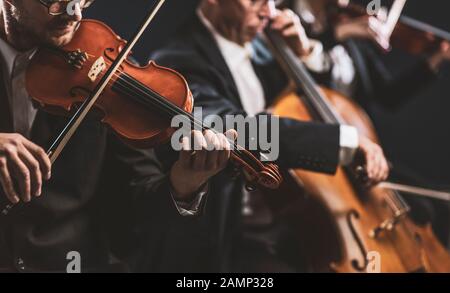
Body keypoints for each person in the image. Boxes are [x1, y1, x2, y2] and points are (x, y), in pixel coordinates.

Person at [151, 0, 390, 272]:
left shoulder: (267, 47)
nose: (268, 10)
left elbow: (320, 103)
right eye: (255, 1)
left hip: (291, 223)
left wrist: (305, 51)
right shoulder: (178, 61)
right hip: (234, 235)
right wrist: (343, 142)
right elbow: (242, 130)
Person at [0, 0, 235, 272]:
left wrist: (183, 183)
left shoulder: (107, 72)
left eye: (81, 1)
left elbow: (135, 209)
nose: (74, 13)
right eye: (57, 2)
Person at [284, 0, 450, 109]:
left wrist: (436, 58)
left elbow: (389, 98)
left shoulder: (352, 30)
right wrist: (338, 33)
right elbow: (298, 66)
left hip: (349, 129)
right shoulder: (285, 13)